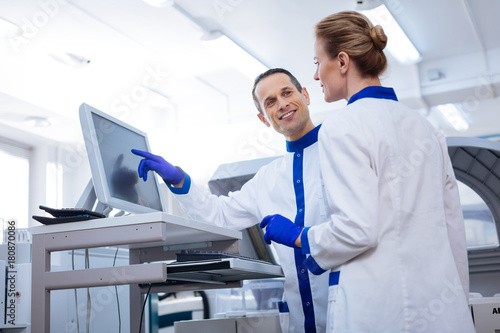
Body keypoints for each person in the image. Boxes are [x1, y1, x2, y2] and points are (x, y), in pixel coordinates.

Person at [260, 11, 475, 332]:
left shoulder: (342, 127)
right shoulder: (426, 128)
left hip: (379, 310)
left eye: (318, 62)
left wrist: (299, 236)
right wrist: (458, 302)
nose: (317, 76)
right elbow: (453, 230)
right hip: (442, 313)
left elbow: (356, 231)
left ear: (343, 62)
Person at [132, 68, 330, 333]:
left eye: (287, 93)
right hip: (299, 320)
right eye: (270, 101)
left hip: (349, 313)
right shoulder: (266, 180)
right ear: (263, 119)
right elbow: (220, 215)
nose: (282, 104)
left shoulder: (339, 152)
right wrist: (179, 179)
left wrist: (301, 236)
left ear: (305, 94)